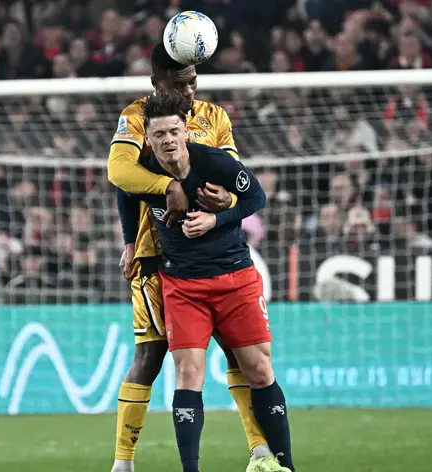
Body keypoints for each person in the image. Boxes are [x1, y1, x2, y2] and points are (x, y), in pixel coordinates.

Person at [107, 43, 278, 472]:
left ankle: (260, 451)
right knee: (151, 356)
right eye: (179, 84)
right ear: (156, 83)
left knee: (238, 353)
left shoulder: (215, 117)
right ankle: (123, 462)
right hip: (156, 255)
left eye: (193, 82)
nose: (188, 91)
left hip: (214, 255)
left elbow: (235, 176)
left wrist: (227, 201)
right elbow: (121, 175)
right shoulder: (136, 117)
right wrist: (160, 199)